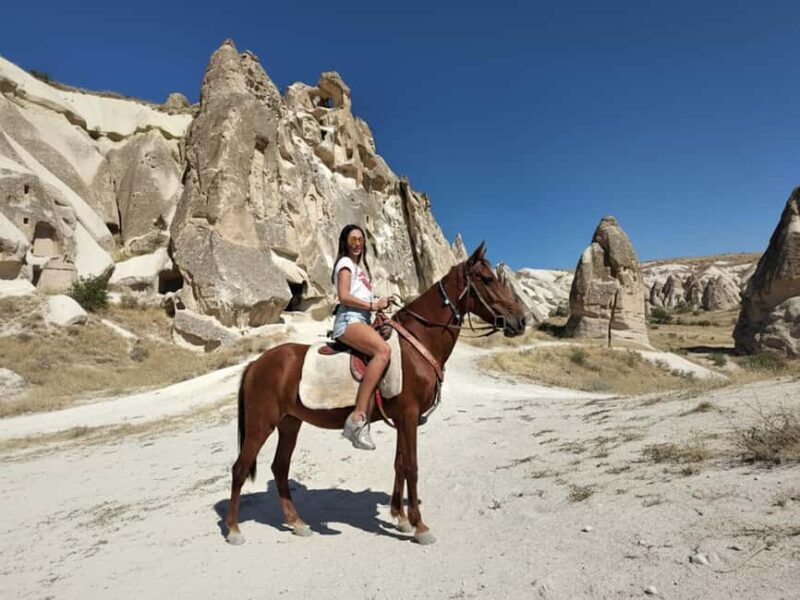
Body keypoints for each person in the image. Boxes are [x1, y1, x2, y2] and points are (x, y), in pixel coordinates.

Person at [331, 224, 391, 450]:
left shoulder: (359, 269)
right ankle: (357, 418)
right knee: (382, 351)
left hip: (362, 319)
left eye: (361, 239)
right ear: (345, 242)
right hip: (349, 320)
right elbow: (344, 296)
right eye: (352, 239)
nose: (357, 243)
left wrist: (378, 307)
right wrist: (372, 305)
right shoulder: (345, 264)